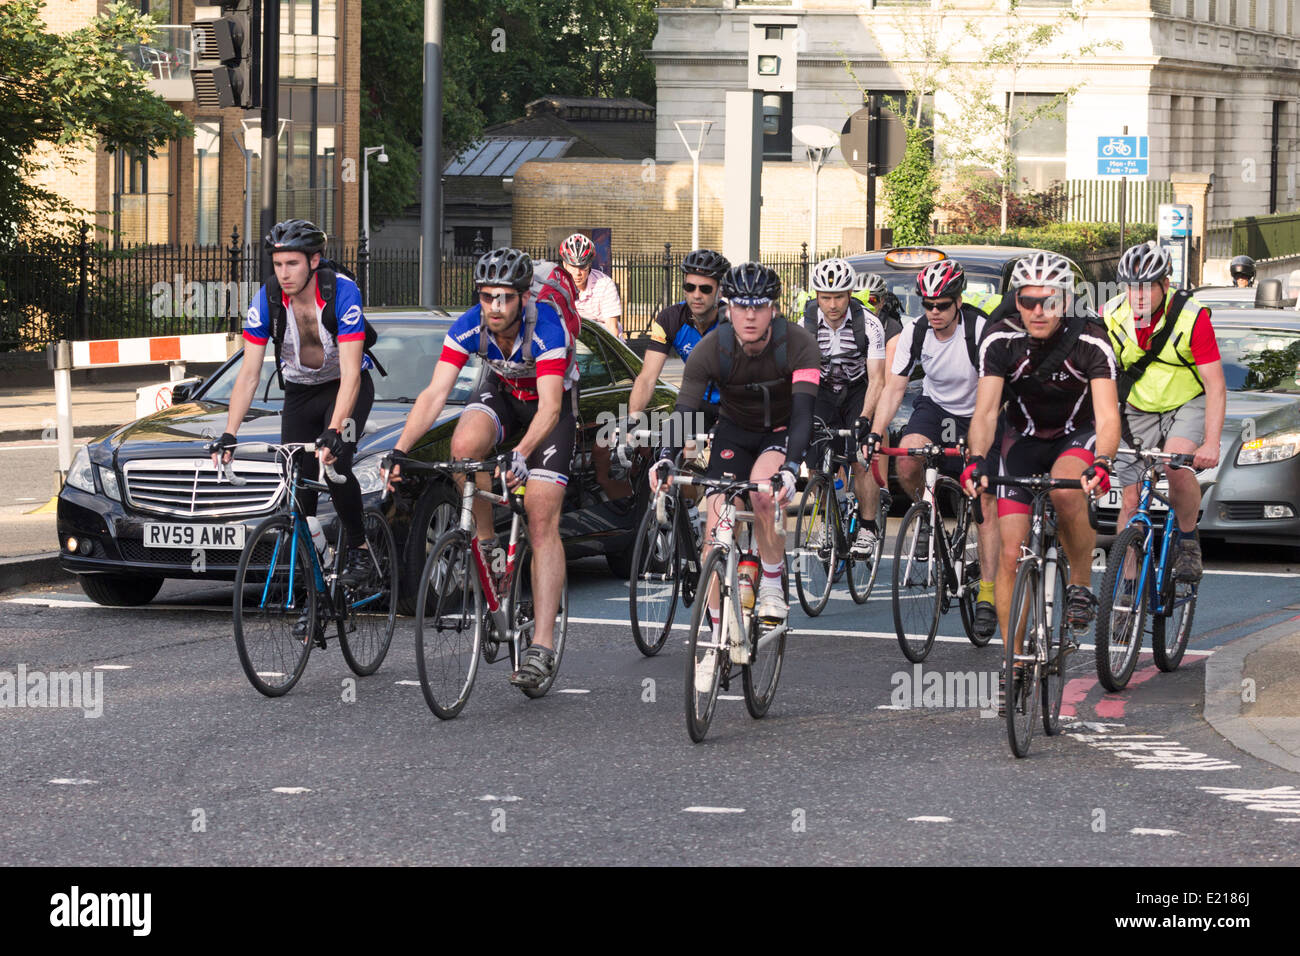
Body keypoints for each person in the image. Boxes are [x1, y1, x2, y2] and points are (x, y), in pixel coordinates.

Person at [384, 247, 574, 689]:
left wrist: (522, 453)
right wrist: (399, 450)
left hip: (548, 411)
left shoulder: (545, 327)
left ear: (523, 298)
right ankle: (487, 543)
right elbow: (434, 395)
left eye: (505, 297)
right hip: (504, 395)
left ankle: (541, 647)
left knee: (542, 514)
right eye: (488, 296)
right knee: (463, 446)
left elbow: (550, 408)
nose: (495, 307)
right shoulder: (470, 324)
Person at [210, 219, 376, 637]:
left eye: (292, 263)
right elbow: (248, 375)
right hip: (301, 392)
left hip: (346, 385)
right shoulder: (267, 297)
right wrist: (230, 433)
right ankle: (317, 597)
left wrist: (336, 430)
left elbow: (354, 373)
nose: (283, 272)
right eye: (277, 263)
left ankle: (358, 548)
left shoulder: (341, 291)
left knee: (334, 463)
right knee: (297, 495)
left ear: (314, 261)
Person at [963, 251, 1120, 659]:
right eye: (1027, 300)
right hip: (1024, 438)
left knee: (1065, 493)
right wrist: (976, 459)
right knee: (1010, 556)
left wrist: (1102, 462)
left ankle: (1081, 584)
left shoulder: (1091, 340)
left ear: (1065, 301)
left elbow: (1107, 416)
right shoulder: (1000, 339)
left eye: (1047, 301)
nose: (1037, 310)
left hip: (1076, 434)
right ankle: (1012, 662)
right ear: (1016, 301)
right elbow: (984, 411)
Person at [651, 262, 821, 624]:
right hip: (733, 431)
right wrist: (666, 455)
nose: (749, 316)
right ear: (729, 307)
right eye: (741, 306)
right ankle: (716, 631)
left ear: (773, 309)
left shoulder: (799, 343)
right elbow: (686, 409)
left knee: (763, 494)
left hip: (780, 430)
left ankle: (773, 582)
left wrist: (792, 468)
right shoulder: (712, 347)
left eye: (758, 306)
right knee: (717, 526)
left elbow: (805, 412)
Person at [870, 259, 1001, 637]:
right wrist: (876, 434)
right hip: (937, 407)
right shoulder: (917, 332)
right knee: (910, 457)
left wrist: (977, 446)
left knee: (983, 499)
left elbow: (994, 395)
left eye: (942, 305)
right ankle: (925, 510)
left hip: (979, 410)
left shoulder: (980, 330)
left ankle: (988, 595)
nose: (935, 312)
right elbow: (894, 388)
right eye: (928, 305)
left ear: (958, 301)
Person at [1104, 242, 1225, 581]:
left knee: (1175, 463)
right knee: (1130, 500)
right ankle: (1126, 589)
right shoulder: (1111, 314)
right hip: (1136, 407)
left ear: (1165, 285)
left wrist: (1211, 442)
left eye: (1147, 287)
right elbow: (1099, 378)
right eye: (1132, 287)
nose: (1138, 296)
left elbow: (1215, 385)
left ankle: (1187, 540)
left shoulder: (1192, 317)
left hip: (1185, 403)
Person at [801, 257, 887, 557]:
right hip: (823, 389)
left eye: (839, 296)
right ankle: (826, 519)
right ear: (817, 297)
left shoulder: (870, 324)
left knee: (859, 457)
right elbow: (798, 373)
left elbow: (878, 379)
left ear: (850, 295)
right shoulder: (806, 324)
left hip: (858, 390)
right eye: (826, 297)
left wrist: (864, 418)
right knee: (815, 460)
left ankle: (867, 527)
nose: (833, 304)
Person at [627, 248, 730, 433]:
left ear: (719, 292)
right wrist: (634, 418)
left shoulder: (733, 323)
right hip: (696, 404)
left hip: (734, 407)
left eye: (705, 289)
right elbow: (647, 378)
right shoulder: (670, 319)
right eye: (690, 287)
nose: (696, 295)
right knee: (669, 449)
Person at [561, 233, 624, 339]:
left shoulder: (604, 284)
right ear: (564, 264)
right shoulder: (556, 285)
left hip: (602, 343)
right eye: (573, 266)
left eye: (582, 267)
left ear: (590, 264)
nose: (577, 273)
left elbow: (612, 329)